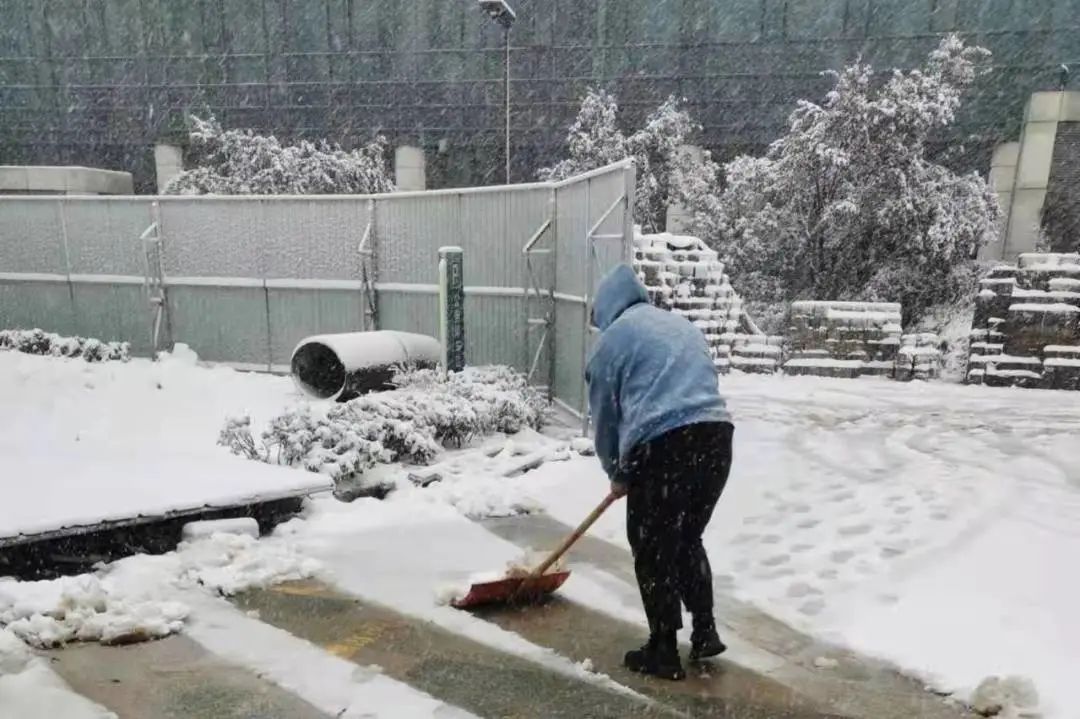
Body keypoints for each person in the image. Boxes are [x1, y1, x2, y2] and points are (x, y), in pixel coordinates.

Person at [586, 263, 735, 681]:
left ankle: (663, 649)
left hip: (665, 445)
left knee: (652, 547)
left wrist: (617, 471)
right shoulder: (678, 326)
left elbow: (604, 420)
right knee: (686, 537)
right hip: (717, 439)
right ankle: (704, 631)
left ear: (605, 309)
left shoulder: (612, 341)